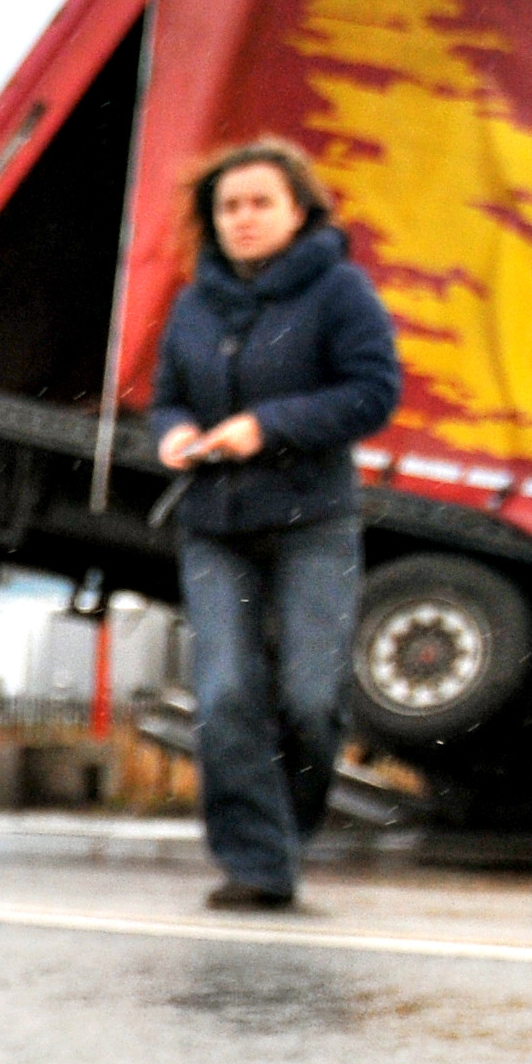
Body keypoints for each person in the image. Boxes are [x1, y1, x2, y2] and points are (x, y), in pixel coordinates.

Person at [153, 136, 401, 911]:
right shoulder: (194, 303)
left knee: (308, 699)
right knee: (225, 695)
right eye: (229, 207)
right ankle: (255, 862)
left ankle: (284, 832)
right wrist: (168, 433)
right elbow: (167, 396)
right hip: (215, 527)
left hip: (312, 523)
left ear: (298, 211)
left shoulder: (340, 292)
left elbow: (373, 392)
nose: (244, 218)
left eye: (261, 203)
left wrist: (269, 426)